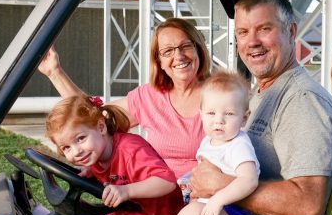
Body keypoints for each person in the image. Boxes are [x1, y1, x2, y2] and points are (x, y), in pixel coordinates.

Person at [115, 0, 332, 215]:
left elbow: (308, 205)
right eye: (244, 32)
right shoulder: (260, 94)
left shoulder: (301, 99)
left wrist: (219, 185)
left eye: (265, 29)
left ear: (291, 32)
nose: (252, 42)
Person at [38, 17, 210, 179]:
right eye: (168, 51)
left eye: (186, 46)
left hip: (203, 202)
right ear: (159, 61)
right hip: (155, 199)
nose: (179, 56)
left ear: (198, 49)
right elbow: (92, 116)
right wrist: (54, 72)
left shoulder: (220, 94)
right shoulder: (150, 96)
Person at [45, 95, 184, 215]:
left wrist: (126, 191)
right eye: (67, 147)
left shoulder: (130, 149)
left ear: (101, 127)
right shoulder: (95, 154)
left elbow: (166, 181)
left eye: (80, 138)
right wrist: (90, 171)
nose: (76, 151)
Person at [134, 70, 260, 215]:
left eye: (229, 114)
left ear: (244, 118)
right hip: (213, 210)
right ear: (200, 114)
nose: (219, 120)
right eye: (211, 113)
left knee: (193, 213)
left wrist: (218, 200)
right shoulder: (209, 141)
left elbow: (249, 180)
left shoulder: (238, 145)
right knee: (181, 207)